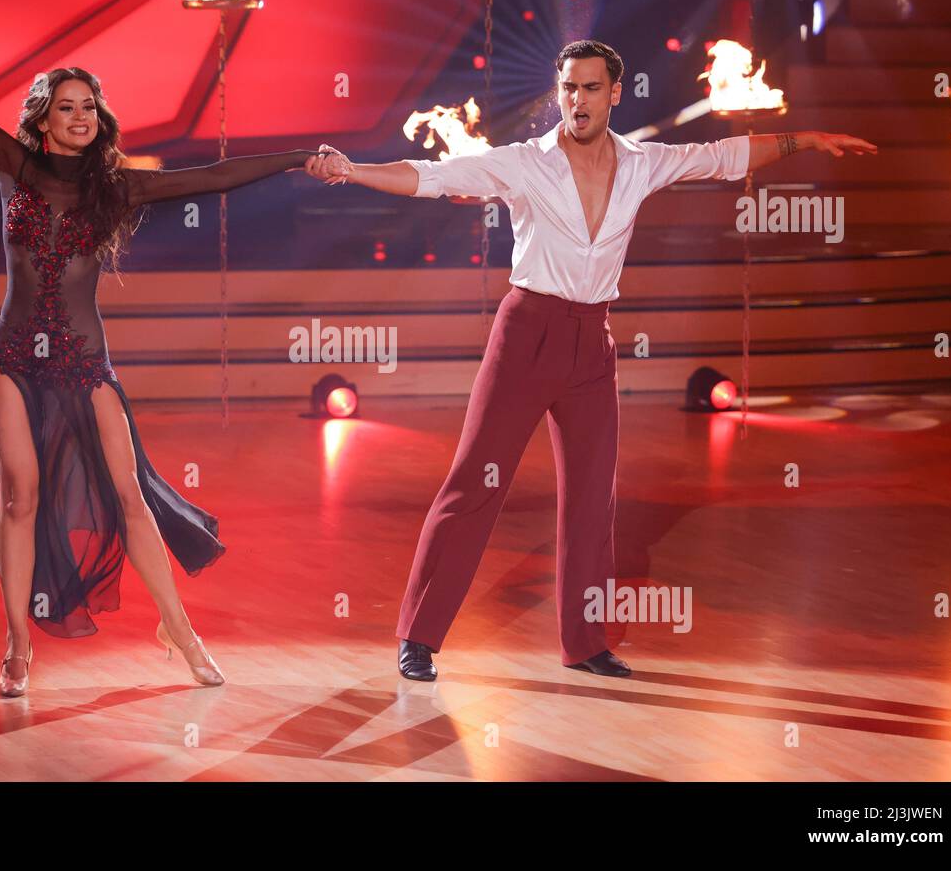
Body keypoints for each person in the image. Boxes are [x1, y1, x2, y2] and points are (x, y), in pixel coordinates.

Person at [308, 39, 876, 681]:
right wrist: (353, 170)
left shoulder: (643, 163)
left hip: (592, 344)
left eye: (590, 88)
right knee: (476, 484)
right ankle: (419, 636)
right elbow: (431, 178)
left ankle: (584, 644)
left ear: (615, 94)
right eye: (568, 88)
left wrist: (806, 140)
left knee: (591, 497)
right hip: (526, 335)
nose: (577, 100)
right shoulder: (524, 163)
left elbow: (723, 158)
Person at [0, 18, 328, 695]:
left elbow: (216, 178)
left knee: (130, 494)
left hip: (86, 362)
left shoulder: (118, 188)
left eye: (89, 105)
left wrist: (298, 157)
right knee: (21, 496)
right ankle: (17, 647)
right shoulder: (15, 165)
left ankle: (179, 630)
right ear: (44, 121)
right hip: (12, 360)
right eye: (65, 106)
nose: (80, 116)